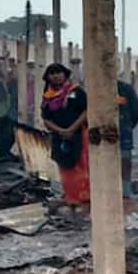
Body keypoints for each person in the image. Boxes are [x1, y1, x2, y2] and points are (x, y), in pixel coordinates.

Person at [40, 63, 90, 209]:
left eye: (58, 72)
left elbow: (86, 111)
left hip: (79, 134)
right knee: (65, 167)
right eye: (52, 73)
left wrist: (71, 129)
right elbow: (46, 119)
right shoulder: (47, 97)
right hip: (58, 137)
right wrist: (61, 131)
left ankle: (85, 197)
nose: (55, 76)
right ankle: (71, 197)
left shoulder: (77, 92)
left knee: (81, 165)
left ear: (65, 74)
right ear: (47, 77)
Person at [117, 79, 138, 199]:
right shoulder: (125, 88)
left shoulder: (126, 89)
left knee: (124, 160)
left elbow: (136, 112)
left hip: (123, 130)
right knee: (125, 161)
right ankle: (125, 191)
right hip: (122, 130)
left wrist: (127, 125)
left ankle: (125, 191)